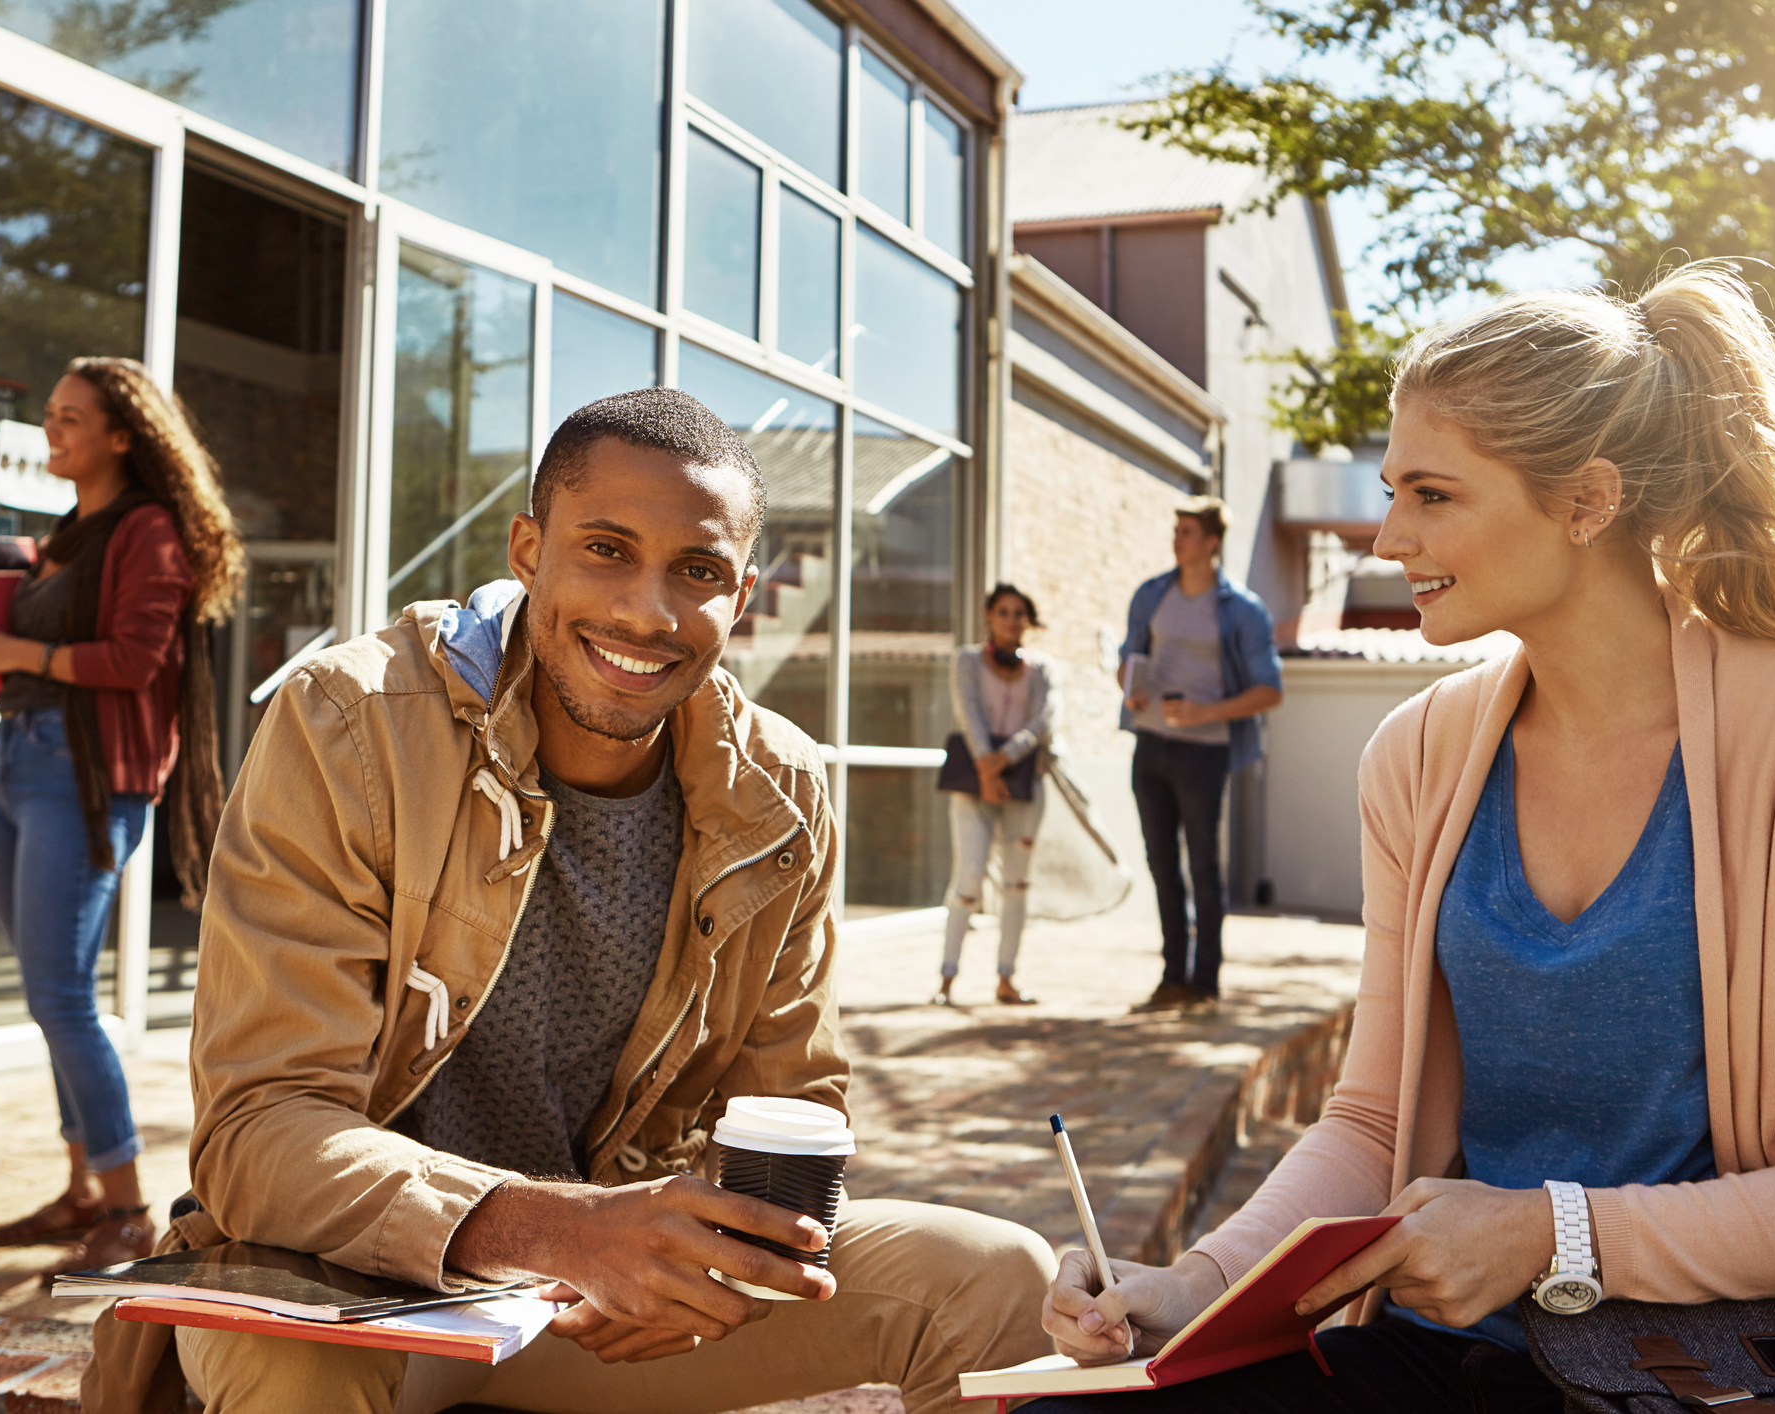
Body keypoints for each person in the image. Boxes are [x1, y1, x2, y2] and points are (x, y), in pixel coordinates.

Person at [1038, 264, 1775, 1413]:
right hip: (1447, 1351)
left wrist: (1558, 1233)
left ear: (1587, 502)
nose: (1388, 534)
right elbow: (1371, 1122)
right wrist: (1195, 1283)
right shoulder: (1414, 760)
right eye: (1389, 490)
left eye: (1432, 494)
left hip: (1725, 1370)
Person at [83, 388, 1055, 1414]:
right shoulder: (348, 724)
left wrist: (722, 1259)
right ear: (525, 548)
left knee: (998, 1280)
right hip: (349, 1294)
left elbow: (793, 1105)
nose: (648, 610)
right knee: (295, 1370)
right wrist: (560, 1230)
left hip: (595, 1309)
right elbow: (259, 1132)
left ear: (743, 592)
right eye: (605, 549)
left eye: (698, 571)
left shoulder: (782, 790)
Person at [0, 357, 240, 1279]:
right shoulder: (68, 533)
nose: (54, 431)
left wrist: (22, 646)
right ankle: (82, 1187)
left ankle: (127, 1210)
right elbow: (47, 652)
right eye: (49, 415)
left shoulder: (148, 531)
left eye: (72, 418)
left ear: (124, 434)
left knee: (62, 996)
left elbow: (132, 659)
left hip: (79, 779)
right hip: (16, 757)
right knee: (48, 992)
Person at [1118, 496, 1282, 1014]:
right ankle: (1172, 979)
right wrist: (1130, 687)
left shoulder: (1243, 610)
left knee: (1204, 868)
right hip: (1150, 745)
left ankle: (1205, 983)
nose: (1177, 538)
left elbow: (1269, 691)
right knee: (1161, 864)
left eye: (1187, 531)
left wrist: (1205, 713)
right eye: (1176, 530)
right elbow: (1128, 659)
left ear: (1212, 542)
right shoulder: (1151, 595)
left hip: (1205, 752)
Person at [935, 582, 1059, 1007]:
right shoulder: (966, 661)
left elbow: (1042, 721)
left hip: (1024, 784)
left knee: (1016, 884)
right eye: (1003, 612)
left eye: (1019, 613)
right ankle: (946, 980)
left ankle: (1007, 979)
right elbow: (967, 711)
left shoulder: (1042, 668)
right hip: (974, 781)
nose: (1011, 620)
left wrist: (1002, 760)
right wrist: (986, 766)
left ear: (1028, 620)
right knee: (968, 876)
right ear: (989, 615)